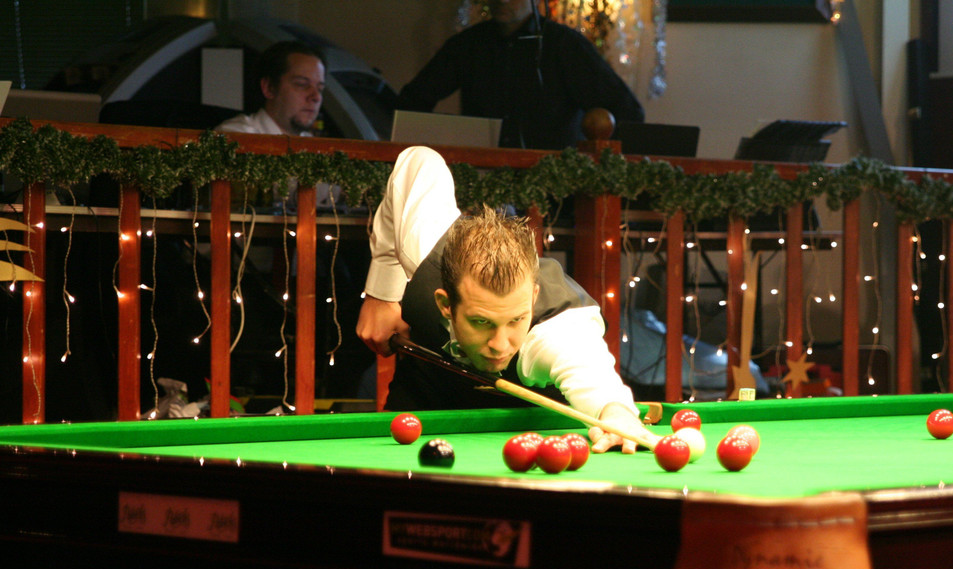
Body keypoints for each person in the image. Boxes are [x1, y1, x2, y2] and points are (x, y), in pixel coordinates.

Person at [356, 146, 653, 453]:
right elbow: (418, 162)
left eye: (515, 320)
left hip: (527, 427)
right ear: (446, 305)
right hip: (426, 394)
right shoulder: (426, 254)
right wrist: (382, 295)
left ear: (533, 297)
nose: (500, 344)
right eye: (481, 322)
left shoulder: (556, 331)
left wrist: (617, 415)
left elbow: (592, 375)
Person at [395, 0, 644, 150]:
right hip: (485, 181)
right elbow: (412, 101)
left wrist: (588, 169)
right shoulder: (469, 45)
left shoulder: (564, 45)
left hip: (554, 188)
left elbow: (626, 111)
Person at [217, 40, 338, 208]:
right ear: (269, 88)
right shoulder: (236, 134)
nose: (315, 97)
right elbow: (276, 189)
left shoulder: (313, 145)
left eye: (320, 88)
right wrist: (342, 192)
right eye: (302, 84)